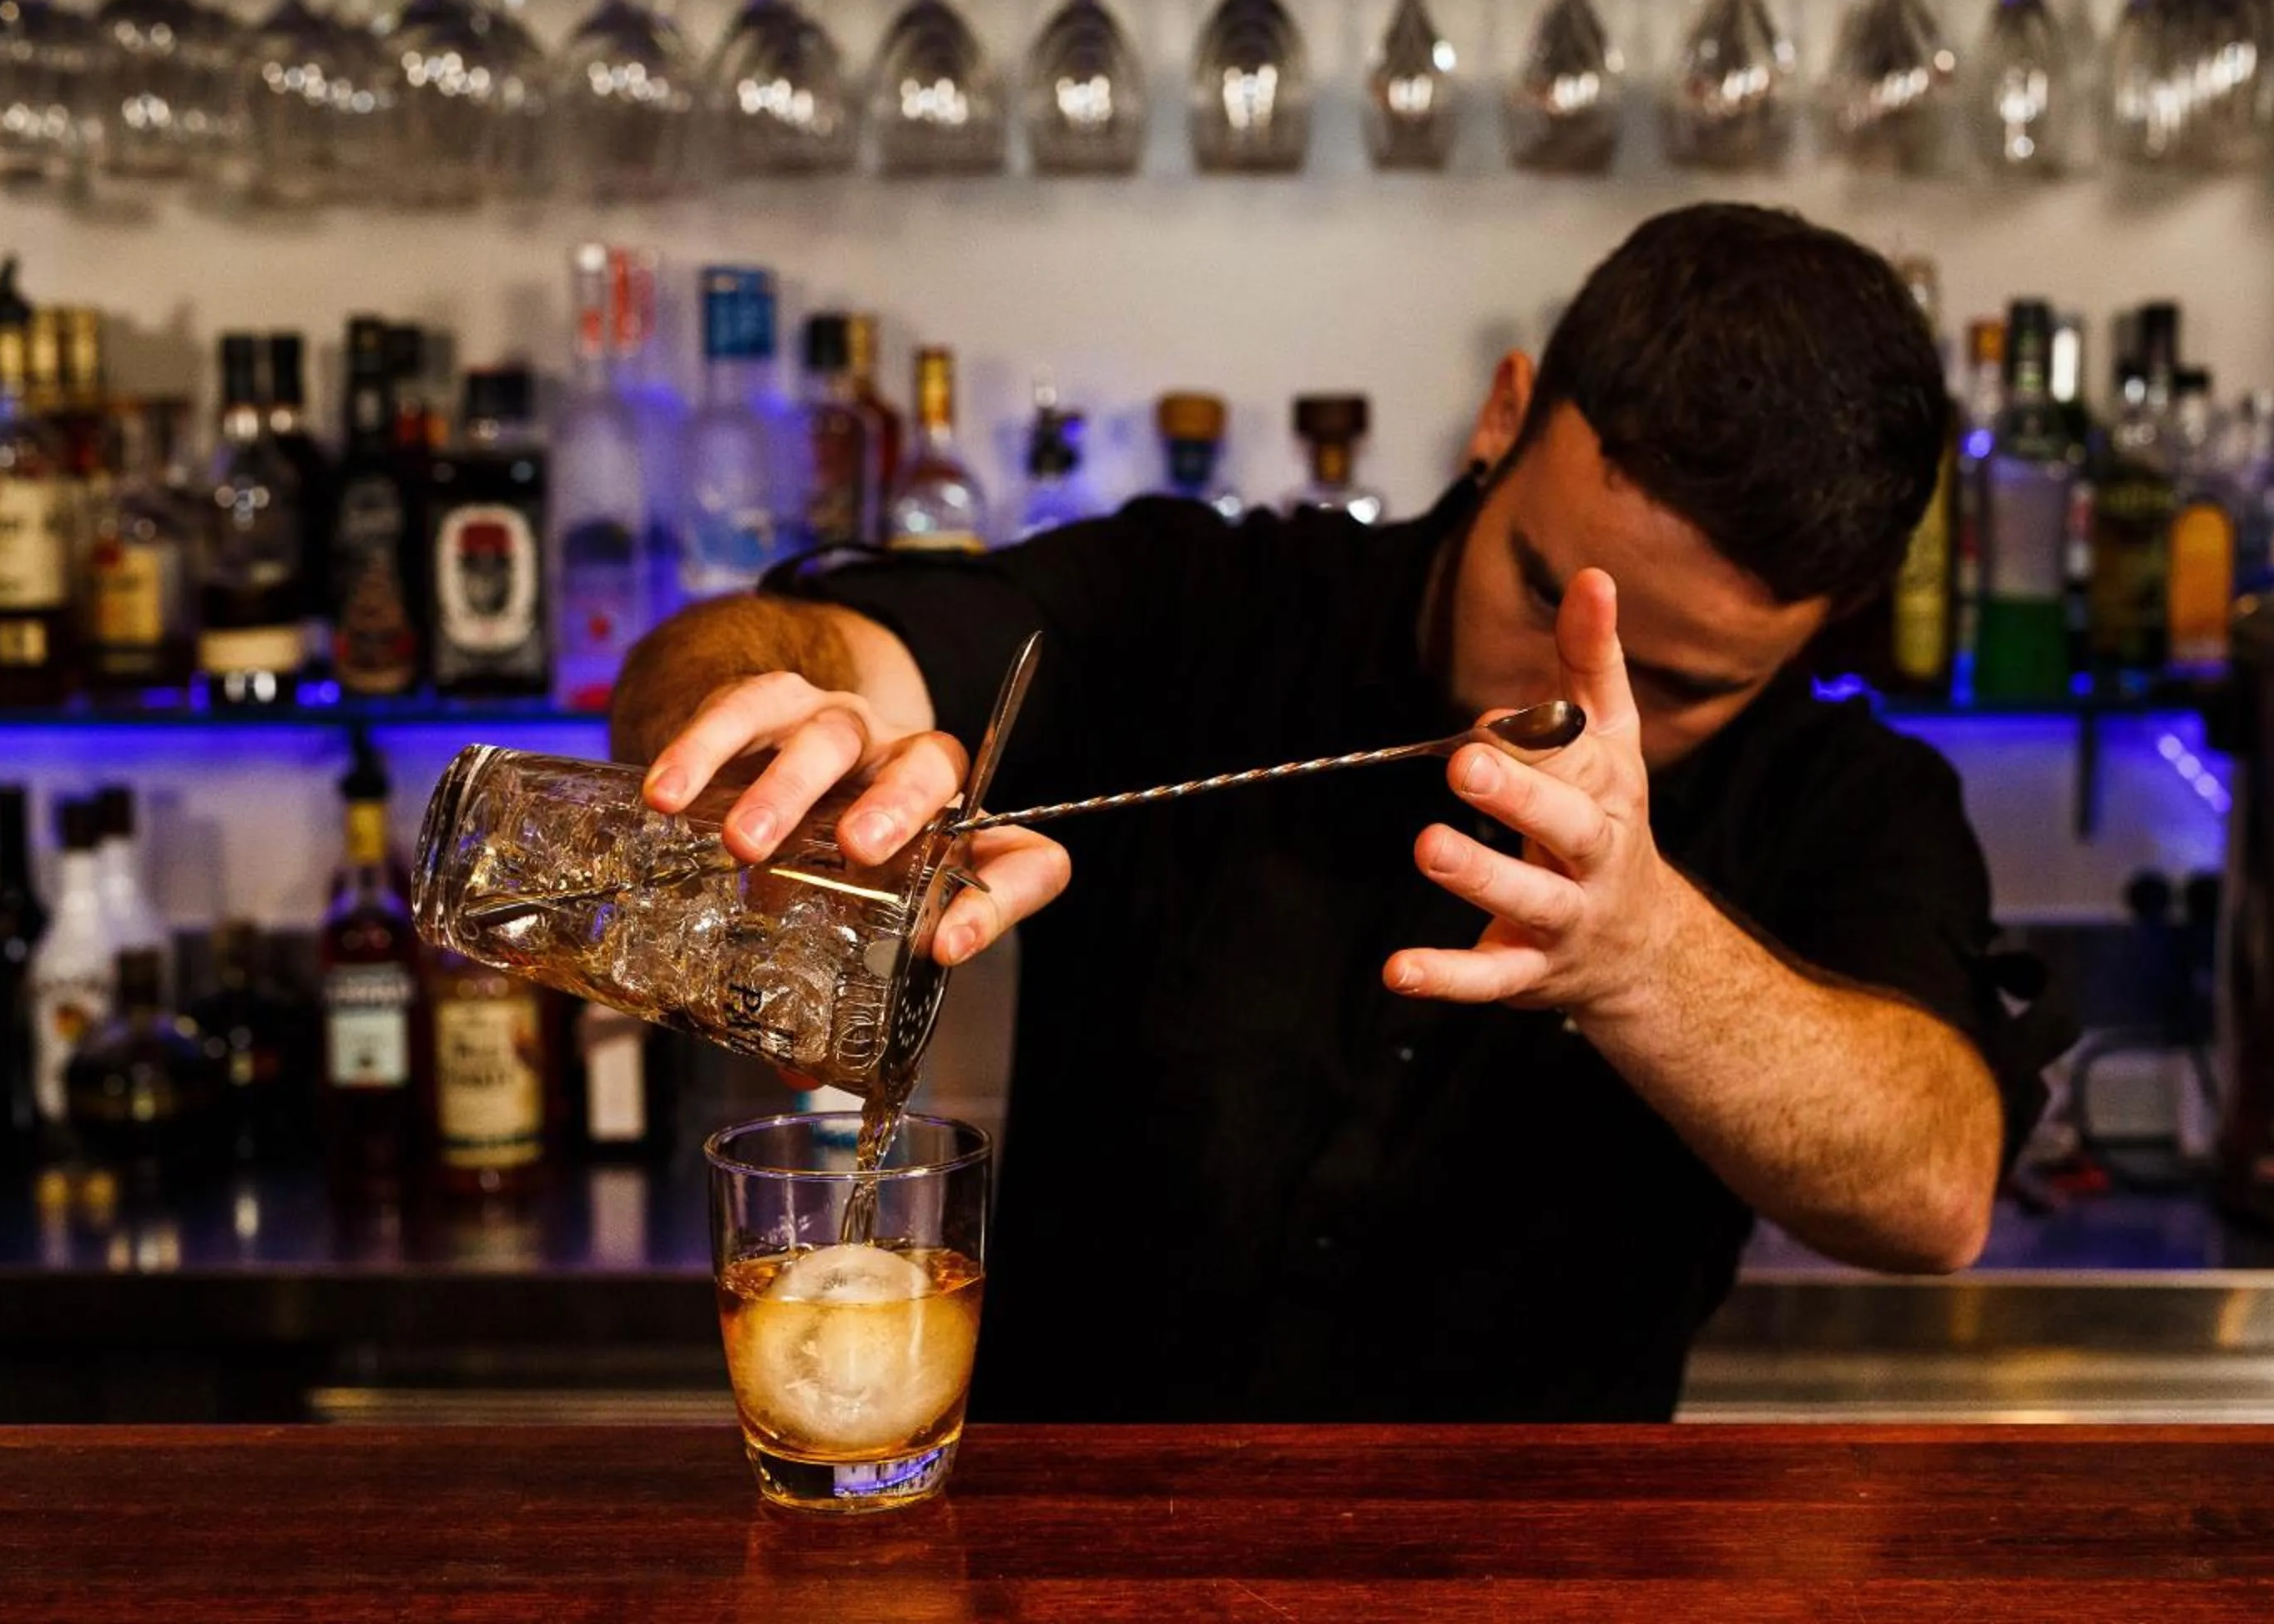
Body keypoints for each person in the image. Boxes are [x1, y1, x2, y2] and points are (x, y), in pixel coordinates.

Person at [612, 203, 2064, 1422]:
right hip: (1074, 1563)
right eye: (1548, 597)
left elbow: (1937, 1190)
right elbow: (795, 646)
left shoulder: (1853, 800)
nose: (1568, 698)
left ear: (1831, 622)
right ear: (1505, 415)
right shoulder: (1207, 607)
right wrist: (784, 713)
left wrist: (1645, 959)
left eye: (1678, 681)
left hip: (1536, 1588)